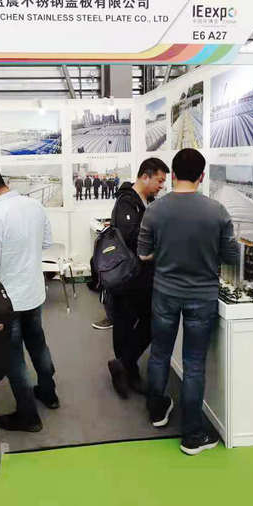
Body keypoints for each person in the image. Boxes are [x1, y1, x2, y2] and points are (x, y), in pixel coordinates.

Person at [138, 149, 239, 456]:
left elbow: (143, 254)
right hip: (202, 296)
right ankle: (192, 436)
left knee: (159, 354)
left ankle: (157, 412)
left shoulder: (155, 210)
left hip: (165, 292)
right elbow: (231, 257)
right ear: (202, 176)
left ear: (172, 174)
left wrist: (165, 253)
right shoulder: (217, 211)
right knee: (194, 365)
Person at [0, 161, 58, 433]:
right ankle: (49, 393)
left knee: (13, 357)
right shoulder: (34, 205)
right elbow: (46, 243)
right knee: (38, 343)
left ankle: (28, 415)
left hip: (7, 300)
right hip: (34, 292)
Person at [105, 158, 169, 398]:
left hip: (142, 277)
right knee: (124, 324)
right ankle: (126, 370)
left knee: (148, 321)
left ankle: (123, 365)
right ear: (145, 176)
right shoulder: (126, 202)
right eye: (159, 180)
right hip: (127, 277)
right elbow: (131, 238)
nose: (161, 186)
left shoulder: (147, 202)